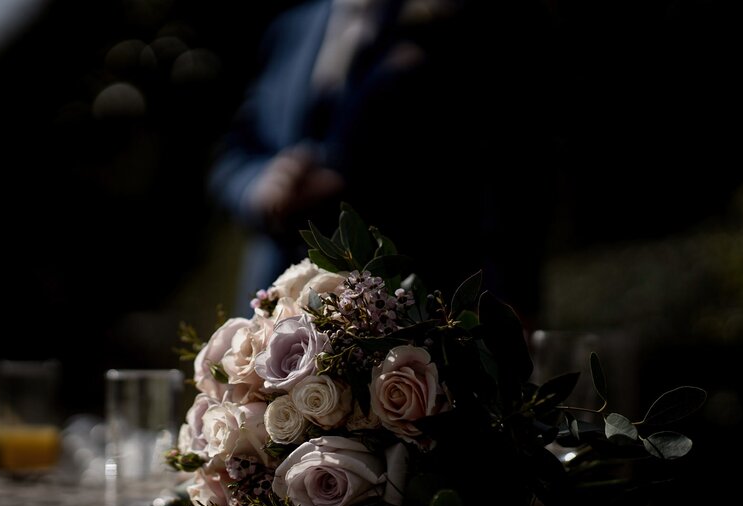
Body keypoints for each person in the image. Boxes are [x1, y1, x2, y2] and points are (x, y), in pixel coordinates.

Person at [207, 0, 555, 323]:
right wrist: (260, 186)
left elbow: (499, 179)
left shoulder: (457, 23)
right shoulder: (289, 30)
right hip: (273, 306)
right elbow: (236, 150)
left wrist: (507, 307)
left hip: (408, 314)